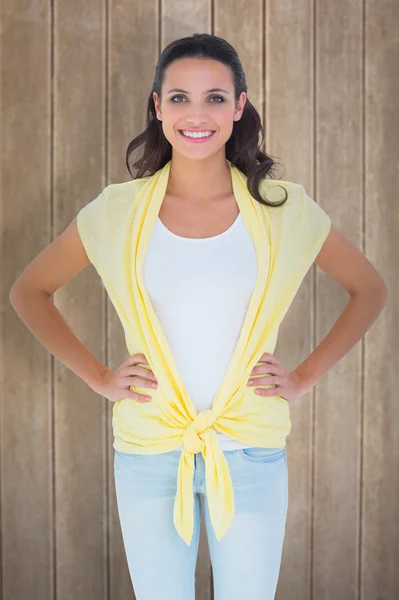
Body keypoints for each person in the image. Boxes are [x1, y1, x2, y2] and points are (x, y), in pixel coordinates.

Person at [9, 33, 388, 600]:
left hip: (252, 444)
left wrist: (304, 377)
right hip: (150, 445)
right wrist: (100, 377)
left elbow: (369, 288)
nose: (196, 114)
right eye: (179, 98)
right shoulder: (118, 211)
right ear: (158, 107)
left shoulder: (283, 209)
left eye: (215, 98)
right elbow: (29, 290)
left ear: (239, 108)